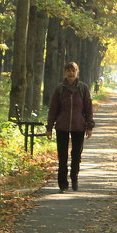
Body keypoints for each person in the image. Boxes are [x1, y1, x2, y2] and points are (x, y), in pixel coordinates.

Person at [46, 61, 95, 191]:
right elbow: (53, 109)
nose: (71, 73)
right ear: (65, 72)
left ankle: (74, 178)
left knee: (76, 155)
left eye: (73, 70)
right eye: (68, 70)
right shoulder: (59, 89)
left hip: (79, 126)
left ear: (77, 72)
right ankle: (62, 184)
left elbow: (88, 108)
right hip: (62, 126)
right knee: (62, 157)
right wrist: (49, 128)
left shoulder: (83, 88)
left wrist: (89, 126)